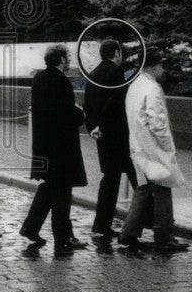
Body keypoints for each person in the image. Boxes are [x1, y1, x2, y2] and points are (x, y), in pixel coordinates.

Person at [119, 49, 189, 253]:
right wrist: (168, 148)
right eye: (161, 66)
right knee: (162, 189)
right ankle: (164, 236)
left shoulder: (134, 86)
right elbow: (158, 124)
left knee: (145, 189)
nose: (163, 69)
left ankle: (129, 232)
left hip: (138, 145)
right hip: (153, 147)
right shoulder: (152, 88)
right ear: (154, 66)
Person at [22, 44, 88, 253]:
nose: (69, 62)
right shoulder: (61, 82)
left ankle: (31, 228)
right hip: (62, 148)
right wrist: (81, 114)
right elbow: (68, 115)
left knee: (50, 188)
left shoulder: (39, 78)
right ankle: (63, 238)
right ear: (60, 59)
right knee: (62, 193)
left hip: (44, 145)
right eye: (67, 58)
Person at [84, 38, 137, 239]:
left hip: (102, 136)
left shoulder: (93, 74)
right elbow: (116, 104)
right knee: (138, 180)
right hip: (120, 136)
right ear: (116, 52)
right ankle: (147, 222)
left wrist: (93, 128)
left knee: (109, 180)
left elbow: (88, 106)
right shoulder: (116, 73)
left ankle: (101, 224)